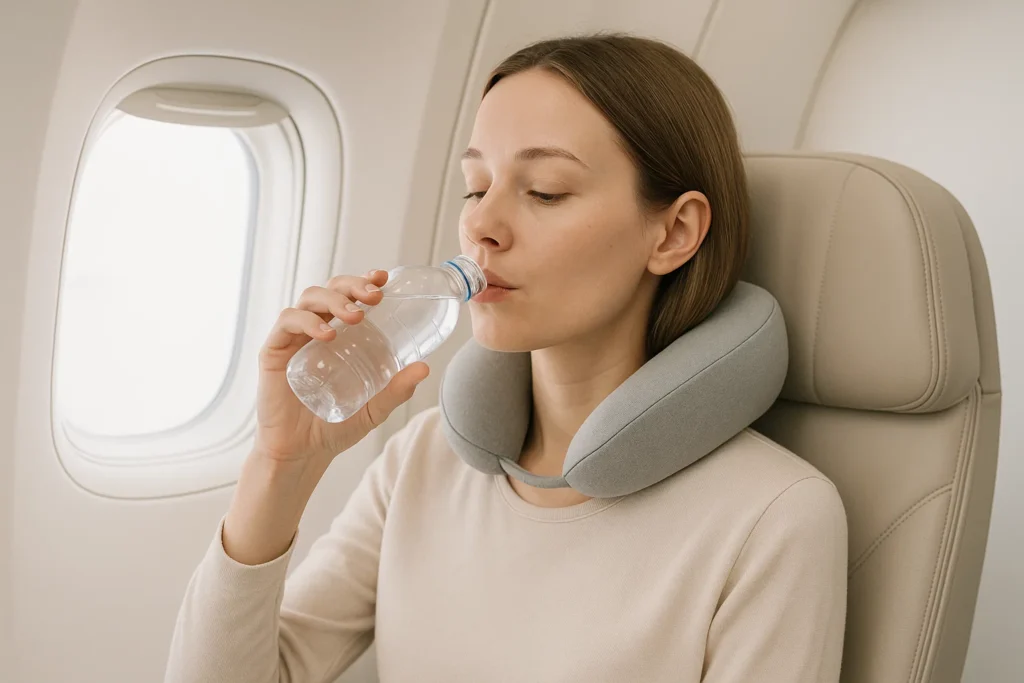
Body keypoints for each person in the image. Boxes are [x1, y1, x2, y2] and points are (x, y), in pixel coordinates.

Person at [165, 33, 847, 682]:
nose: (481, 226)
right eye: (475, 185)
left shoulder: (774, 515)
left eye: (544, 190)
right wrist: (279, 467)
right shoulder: (423, 459)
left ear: (673, 232)